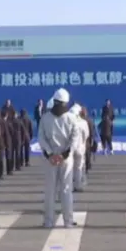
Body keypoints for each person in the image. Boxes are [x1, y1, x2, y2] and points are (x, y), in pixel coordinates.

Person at [38, 88, 79, 228]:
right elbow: (74, 139)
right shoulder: (72, 118)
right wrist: (64, 154)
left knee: (50, 190)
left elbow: (41, 138)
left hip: (51, 159)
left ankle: (48, 221)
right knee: (66, 190)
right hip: (65, 159)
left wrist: (50, 154)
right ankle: (68, 221)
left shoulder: (45, 118)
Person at [69, 105, 89, 191]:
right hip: (80, 148)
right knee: (79, 167)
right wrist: (82, 142)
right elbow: (86, 135)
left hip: (69, 148)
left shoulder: (67, 122)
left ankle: (70, 186)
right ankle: (78, 185)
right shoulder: (83, 122)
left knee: (69, 168)